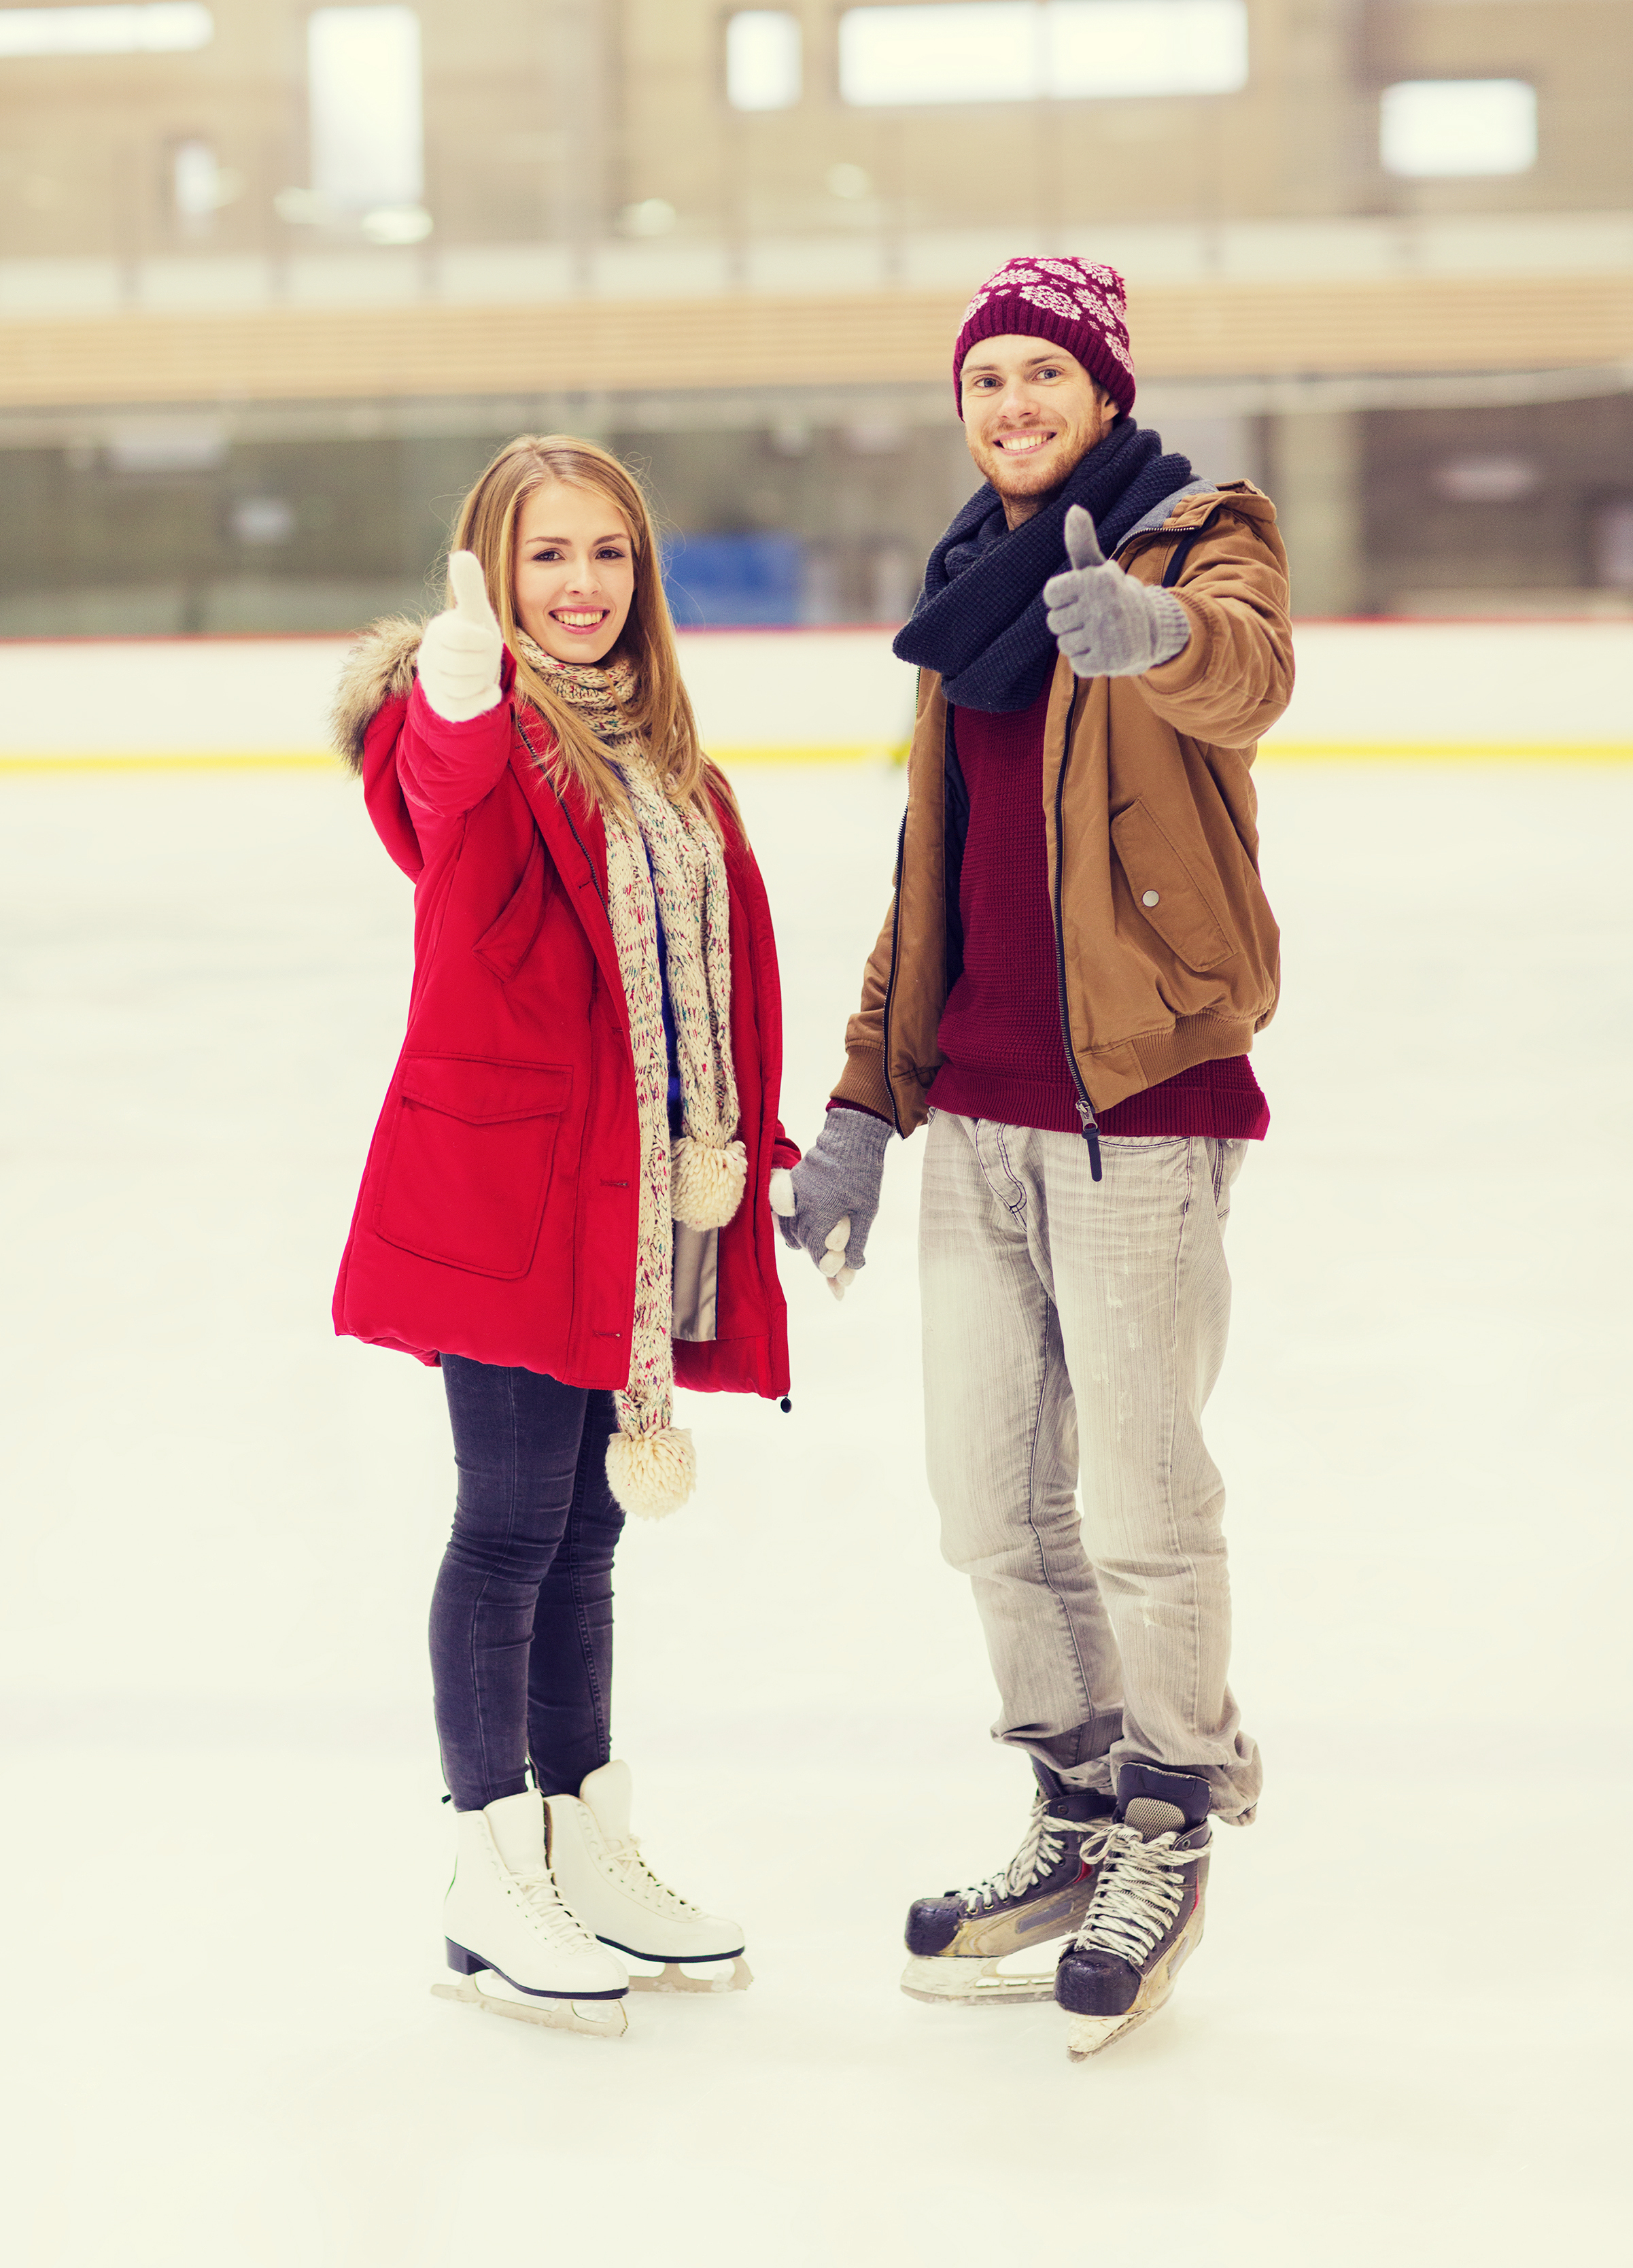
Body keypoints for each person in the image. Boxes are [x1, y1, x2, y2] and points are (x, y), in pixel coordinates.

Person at [776, 258, 1292, 2059]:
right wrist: (858, 1102)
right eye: (984, 376)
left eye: (1043, 374)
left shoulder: (1191, 539)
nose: (1010, 404)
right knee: (987, 1506)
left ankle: (1167, 1824)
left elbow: (1251, 669)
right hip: (977, 1116)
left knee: (1146, 1506)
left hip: (1139, 1104)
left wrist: (1160, 641)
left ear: (1100, 388)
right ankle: (1071, 1813)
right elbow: (936, 880)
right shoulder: (960, 589)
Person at [331, 435, 795, 2038]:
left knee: (588, 1530)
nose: (581, 586)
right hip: (510, 1194)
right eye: (548, 557)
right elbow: (430, 807)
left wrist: (751, 1151)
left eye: (607, 554)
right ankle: (487, 1860)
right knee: (512, 1515)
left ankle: (583, 1833)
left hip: (638, 1187)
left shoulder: (667, 758)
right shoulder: (461, 727)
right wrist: (457, 693)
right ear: (493, 571)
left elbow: (704, 986)